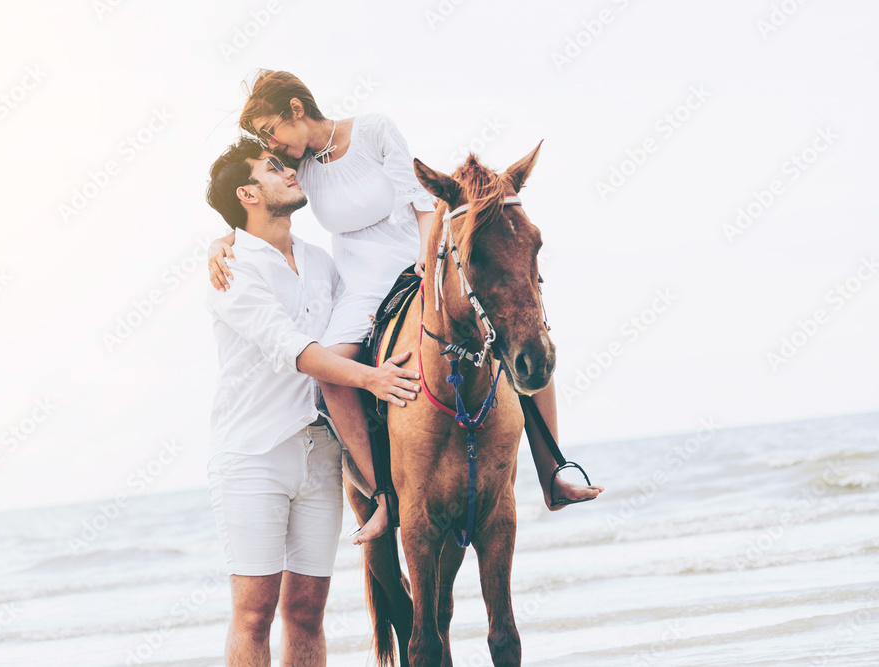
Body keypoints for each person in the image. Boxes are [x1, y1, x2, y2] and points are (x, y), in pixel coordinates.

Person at [209, 70, 603, 511]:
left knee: (525, 326)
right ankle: (382, 495)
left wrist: (425, 256)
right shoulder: (298, 167)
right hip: (359, 286)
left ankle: (553, 472)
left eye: (269, 131)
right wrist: (224, 240)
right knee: (330, 375)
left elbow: (419, 200)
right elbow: (258, 204)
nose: (271, 146)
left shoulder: (374, 129)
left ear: (295, 110)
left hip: (414, 261)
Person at [204, 137, 421, 665]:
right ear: (247, 193)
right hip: (255, 455)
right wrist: (370, 379)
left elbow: (369, 305)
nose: (290, 172)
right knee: (254, 611)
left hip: (322, 454)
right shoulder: (233, 269)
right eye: (273, 168)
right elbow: (293, 349)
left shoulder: (321, 260)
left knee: (306, 609)